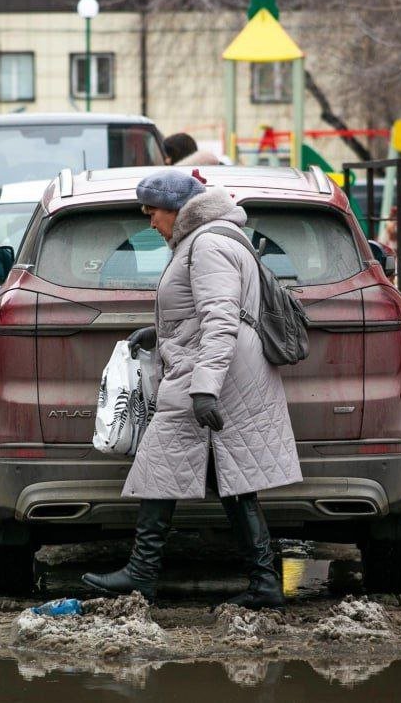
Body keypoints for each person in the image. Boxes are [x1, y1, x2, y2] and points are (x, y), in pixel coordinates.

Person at [81, 169, 302, 609]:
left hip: (211, 375)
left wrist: (205, 389)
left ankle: (143, 574)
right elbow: (205, 314)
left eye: (153, 212)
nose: (150, 222)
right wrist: (159, 335)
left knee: (163, 462)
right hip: (214, 370)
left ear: (179, 210)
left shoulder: (206, 245)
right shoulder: (207, 240)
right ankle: (265, 583)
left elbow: (221, 319)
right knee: (229, 477)